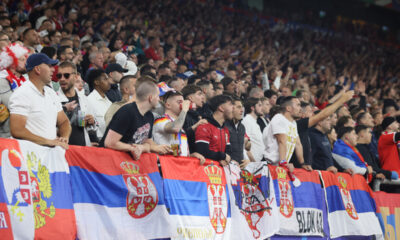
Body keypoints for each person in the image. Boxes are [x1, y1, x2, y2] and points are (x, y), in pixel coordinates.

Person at [9, 53, 70, 149]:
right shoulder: (21, 94)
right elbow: (17, 130)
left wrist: (64, 137)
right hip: (29, 157)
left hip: (49, 155)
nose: (53, 70)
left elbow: (64, 121)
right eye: (49, 66)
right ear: (37, 69)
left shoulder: (51, 93)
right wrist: (48, 141)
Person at [100, 80, 171, 159]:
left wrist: (157, 147)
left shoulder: (149, 116)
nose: (159, 99)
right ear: (150, 98)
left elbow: (147, 143)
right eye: (157, 96)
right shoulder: (127, 111)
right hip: (107, 160)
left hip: (125, 161)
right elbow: (109, 143)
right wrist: (133, 148)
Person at [152, 91, 205, 163]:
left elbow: (176, 151)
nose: (183, 104)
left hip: (178, 167)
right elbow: (175, 128)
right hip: (164, 167)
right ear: (168, 105)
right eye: (179, 102)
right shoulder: (161, 120)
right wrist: (184, 110)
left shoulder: (180, 127)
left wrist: (191, 155)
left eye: (183, 102)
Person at [57, 61, 96, 146]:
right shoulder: (54, 98)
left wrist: (91, 122)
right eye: (59, 76)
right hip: (62, 150)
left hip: (82, 149)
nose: (62, 79)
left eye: (66, 75)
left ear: (75, 77)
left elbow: (93, 126)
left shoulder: (84, 99)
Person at [262, 96, 307, 172]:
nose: (300, 109)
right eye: (298, 105)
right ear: (288, 108)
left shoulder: (293, 123)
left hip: (279, 165)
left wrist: (303, 164)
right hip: (270, 166)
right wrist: (283, 163)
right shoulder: (279, 118)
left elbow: (298, 144)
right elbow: (281, 141)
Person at [0, 42, 29, 138]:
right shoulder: (2, 80)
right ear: (12, 63)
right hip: (7, 134)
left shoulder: (24, 80)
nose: (26, 62)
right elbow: (12, 104)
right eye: (22, 60)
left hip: (25, 130)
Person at [195, 95, 233, 165]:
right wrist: (222, 156)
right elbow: (203, 152)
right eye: (230, 104)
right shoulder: (205, 126)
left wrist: (226, 159)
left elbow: (229, 152)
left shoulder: (225, 130)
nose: (233, 108)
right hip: (204, 171)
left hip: (219, 173)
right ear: (221, 108)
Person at [225, 96, 254, 168]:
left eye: (242, 107)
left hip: (240, 168)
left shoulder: (242, 127)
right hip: (227, 167)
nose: (242, 110)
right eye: (238, 107)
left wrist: (247, 160)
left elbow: (243, 149)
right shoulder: (224, 126)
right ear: (231, 108)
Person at [86, 69, 111, 141]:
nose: (109, 82)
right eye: (105, 79)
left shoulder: (109, 102)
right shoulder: (89, 101)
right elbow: (89, 127)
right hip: (98, 142)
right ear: (96, 82)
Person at [182, 85, 207, 153]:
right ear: (190, 98)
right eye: (199, 94)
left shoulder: (199, 115)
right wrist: (195, 126)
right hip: (188, 156)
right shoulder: (183, 114)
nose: (203, 97)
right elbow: (179, 136)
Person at [242, 97, 265, 162]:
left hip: (257, 162)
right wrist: (253, 162)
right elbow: (245, 145)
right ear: (252, 107)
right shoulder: (247, 121)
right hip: (251, 163)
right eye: (259, 105)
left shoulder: (254, 122)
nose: (262, 108)